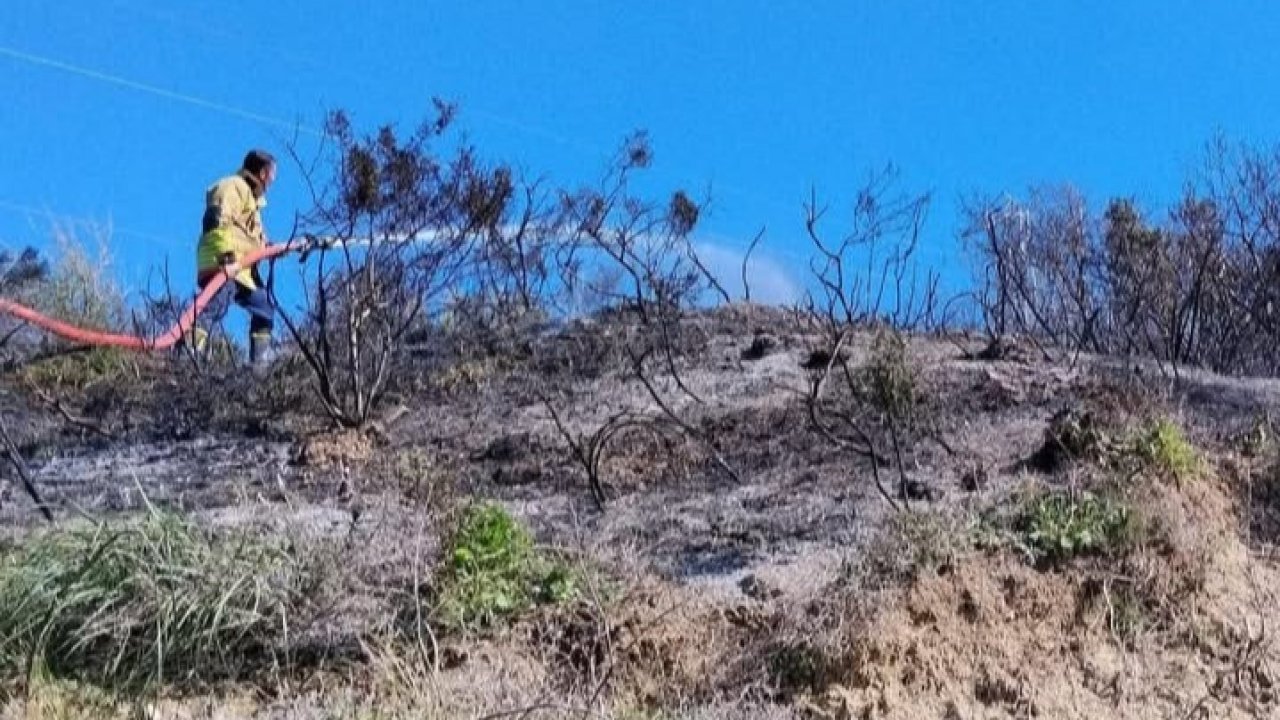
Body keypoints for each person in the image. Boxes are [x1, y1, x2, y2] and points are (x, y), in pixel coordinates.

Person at [194, 149, 278, 367]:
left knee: (265, 306)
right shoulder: (233, 187)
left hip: (242, 271)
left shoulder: (251, 201)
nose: (272, 181)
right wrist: (226, 257)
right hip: (221, 261)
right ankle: (190, 348)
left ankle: (260, 365)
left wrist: (272, 248)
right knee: (216, 303)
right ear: (262, 173)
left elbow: (252, 239)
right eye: (272, 175)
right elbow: (215, 219)